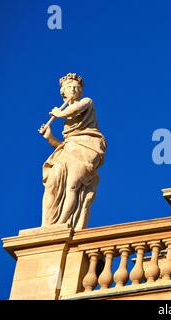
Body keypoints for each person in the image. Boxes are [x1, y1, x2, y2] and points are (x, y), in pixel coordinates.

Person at [38, 73, 106, 230]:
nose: (74, 89)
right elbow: (64, 145)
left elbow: (75, 109)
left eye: (77, 87)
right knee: (52, 184)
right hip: (69, 149)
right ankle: (47, 225)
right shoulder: (67, 121)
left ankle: (61, 224)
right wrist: (49, 137)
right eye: (69, 87)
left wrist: (59, 113)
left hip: (88, 147)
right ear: (63, 93)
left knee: (72, 186)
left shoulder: (86, 102)